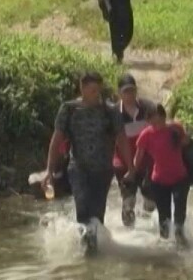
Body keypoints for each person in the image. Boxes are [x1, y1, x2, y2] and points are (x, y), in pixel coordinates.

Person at [45, 71, 134, 255]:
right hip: (78, 169)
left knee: (97, 216)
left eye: (98, 90)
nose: (97, 94)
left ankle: (93, 253)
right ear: (82, 89)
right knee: (83, 212)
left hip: (103, 172)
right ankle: (87, 256)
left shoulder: (110, 112)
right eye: (92, 90)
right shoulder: (69, 109)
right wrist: (49, 171)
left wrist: (131, 167)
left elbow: (122, 139)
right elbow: (57, 140)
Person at [125, 103, 193, 245]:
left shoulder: (175, 128)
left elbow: (186, 142)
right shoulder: (146, 134)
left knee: (180, 209)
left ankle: (180, 237)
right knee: (164, 216)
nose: (156, 125)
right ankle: (165, 244)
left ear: (164, 117)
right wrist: (132, 172)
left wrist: (184, 136)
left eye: (158, 122)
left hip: (180, 177)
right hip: (159, 181)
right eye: (152, 123)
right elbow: (139, 156)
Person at [111, 73, 158, 227]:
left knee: (151, 202)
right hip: (123, 162)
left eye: (132, 90)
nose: (129, 95)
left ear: (136, 91)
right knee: (129, 201)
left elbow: (159, 131)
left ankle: (146, 230)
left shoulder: (148, 108)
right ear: (119, 93)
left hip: (146, 161)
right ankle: (129, 233)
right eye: (126, 91)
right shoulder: (114, 113)